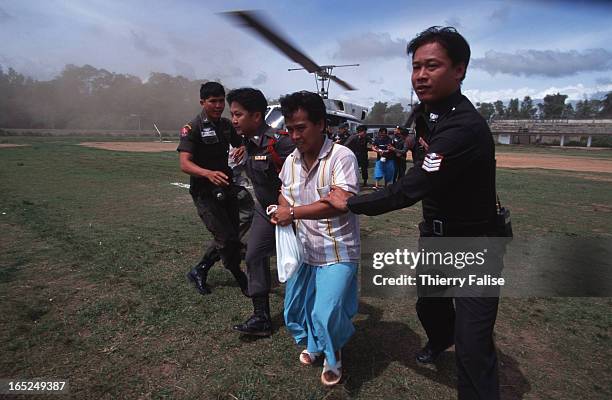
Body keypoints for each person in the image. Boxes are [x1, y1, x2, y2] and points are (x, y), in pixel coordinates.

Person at [324, 26, 501, 399]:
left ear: (460, 70)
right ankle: (440, 340)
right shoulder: (426, 114)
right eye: (416, 66)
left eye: (432, 65)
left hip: (477, 243)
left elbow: (413, 186)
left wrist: (351, 203)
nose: (420, 75)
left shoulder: (463, 128)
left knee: (473, 344)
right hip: (436, 236)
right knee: (430, 306)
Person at [270, 91, 360, 387]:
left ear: (320, 124)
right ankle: (316, 341)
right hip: (306, 251)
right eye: (290, 129)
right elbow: (284, 191)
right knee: (297, 308)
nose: (294, 136)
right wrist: (282, 207)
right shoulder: (291, 161)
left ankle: (334, 356)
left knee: (326, 309)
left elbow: (338, 203)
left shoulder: (341, 157)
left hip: (338, 251)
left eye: (301, 128)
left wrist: (292, 213)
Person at [227, 88, 295, 337]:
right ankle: (261, 317)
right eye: (232, 114)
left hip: (293, 212)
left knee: (301, 263)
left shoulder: (282, 141)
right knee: (254, 255)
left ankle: (307, 311)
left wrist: (291, 209)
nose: (233, 120)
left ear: (257, 116)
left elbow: (303, 176)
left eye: (238, 114)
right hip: (265, 211)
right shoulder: (246, 141)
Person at [178, 82, 249, 297]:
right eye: (213, 101)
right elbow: (184, 163)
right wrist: (207, 173)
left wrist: (243, 146)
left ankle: (199, 270)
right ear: (202, 102)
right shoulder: (193, 127)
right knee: (226, 238)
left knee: (231, 236)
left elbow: (241, 141)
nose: (218, 106)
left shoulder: (226, 125)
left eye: (221, 101)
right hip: (204, 192)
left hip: (225, 187)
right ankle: (239, 275)